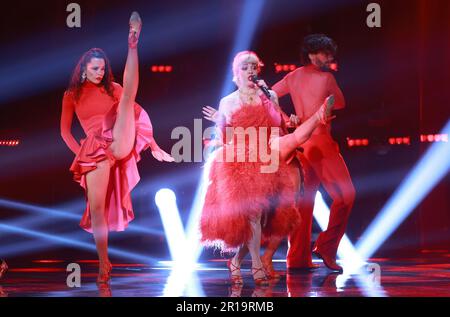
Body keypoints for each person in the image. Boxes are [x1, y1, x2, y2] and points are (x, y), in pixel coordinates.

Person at [200, 51, 334, 285]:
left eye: (254, 66)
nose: (250, 70)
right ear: (236, 74)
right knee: (253, 215)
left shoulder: (268, 94)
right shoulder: (228, 101)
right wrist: (221, 121)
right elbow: (227, 137)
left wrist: (273, 105)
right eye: (245, 67)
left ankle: (235, 262)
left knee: (261, 220)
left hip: (268, 154)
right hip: (242, 161)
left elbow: (276, 124)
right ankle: (257, 266)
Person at [60, 12, 173, 283]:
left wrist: (154, 145)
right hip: (94, 150)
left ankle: (133, 43)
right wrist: (82, 156)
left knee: (126, 99)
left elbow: (134, 112)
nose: (99, 72)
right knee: (97, 209)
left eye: (102, 68)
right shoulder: (71, 95)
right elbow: (64, 132)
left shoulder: (114, 88)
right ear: (84, 69)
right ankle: (103, 262)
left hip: (120, 137)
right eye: (94, 68)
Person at [272, 34, 356, 273]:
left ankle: (298, 260)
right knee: (346, 196)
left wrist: (287, 119)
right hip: (319, 142)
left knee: (303, 203)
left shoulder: (292, 76)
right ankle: (327, 247)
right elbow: (340, 103)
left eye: (330, 54)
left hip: (301, 144)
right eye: (325, 53)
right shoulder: (327, 77)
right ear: (311, 53)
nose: (329, 58)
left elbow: (268, 96)